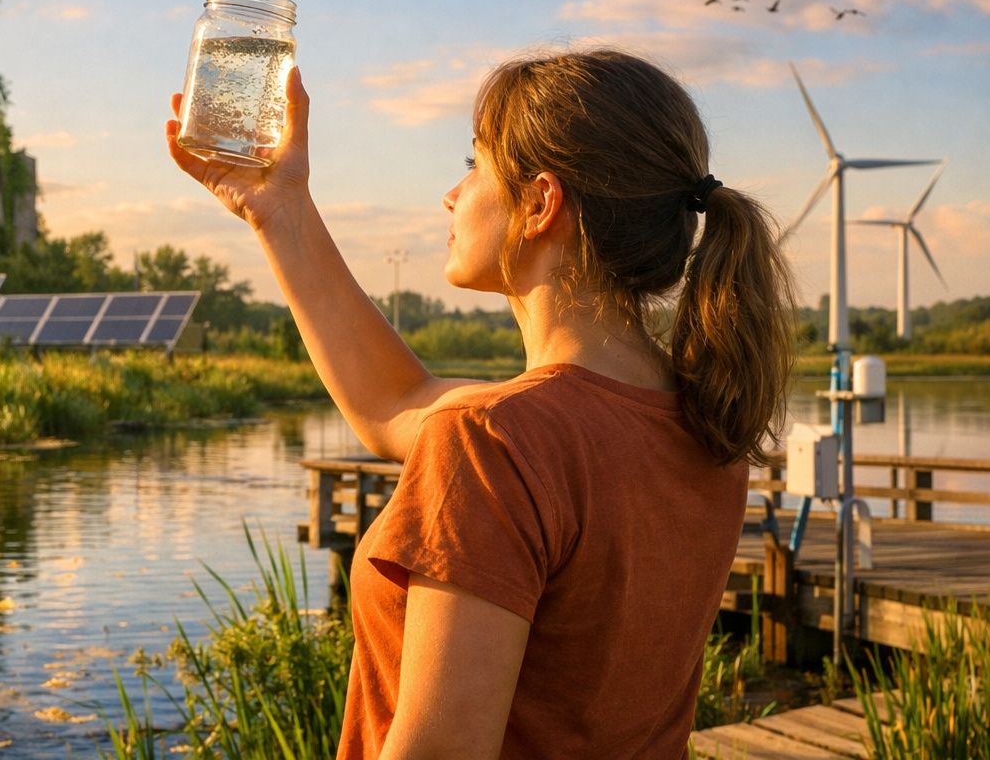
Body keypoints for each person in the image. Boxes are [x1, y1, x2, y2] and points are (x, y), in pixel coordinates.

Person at [166, 48, 796, 759]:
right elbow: (397, 402)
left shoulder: (496, 439)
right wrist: (279, 209)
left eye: (474, 164)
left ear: (539, 204)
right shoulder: (702, 425)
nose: (452, 194)